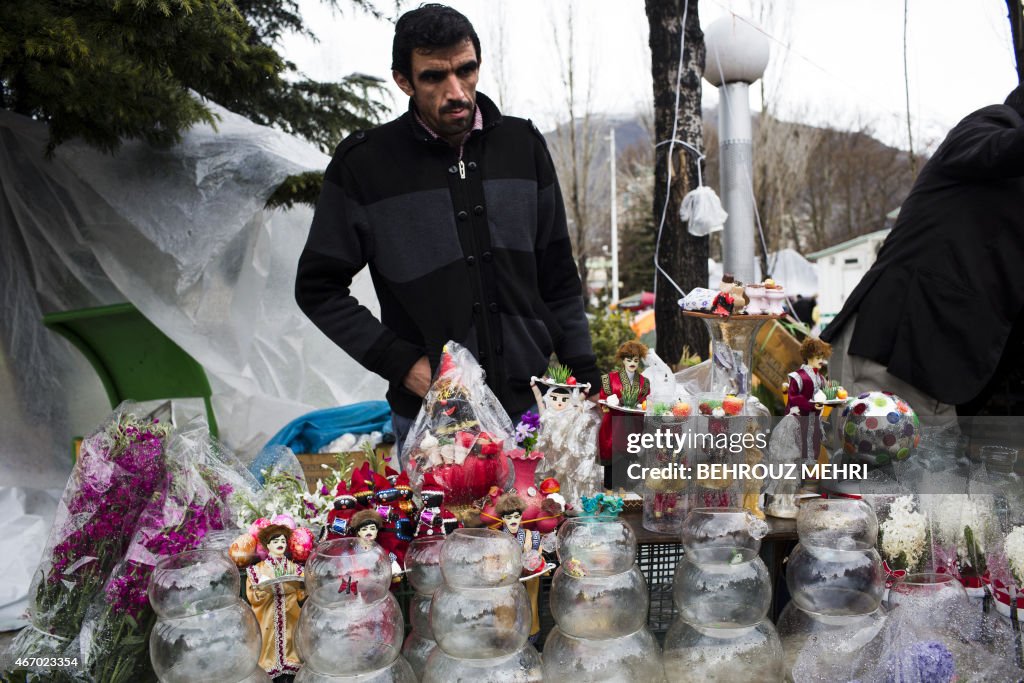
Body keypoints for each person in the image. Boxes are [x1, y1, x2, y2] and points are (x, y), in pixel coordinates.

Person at [295, 4, 599, 456]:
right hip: (432, 421)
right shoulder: (365, 165)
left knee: (542, 526)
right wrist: (405, 365)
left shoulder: (524, 148)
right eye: (434, 77)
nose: (456, 91)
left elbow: (558, 276)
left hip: (533, 411)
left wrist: (586, 382)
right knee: (443, 531)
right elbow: (318, 288)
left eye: (466, 70)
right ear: (403, 80)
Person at [821, 84, 1024, 420]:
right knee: (871, 471)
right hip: (892, 352)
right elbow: (997, 150)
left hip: (946, 372)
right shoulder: (989, 125)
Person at [246, 524, 305, 681]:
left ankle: (290, 665)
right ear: (267, 545)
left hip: (291, 617)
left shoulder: (296, 569)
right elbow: (254, 596)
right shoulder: (257, 570)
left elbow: (302, 593)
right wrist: (266, 589)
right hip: (268, 620)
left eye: (283, 541)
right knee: (268, 644)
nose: (280, 544)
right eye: (275, 541)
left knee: (292, 641)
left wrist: (297, 590)